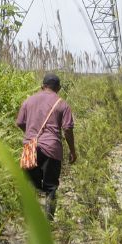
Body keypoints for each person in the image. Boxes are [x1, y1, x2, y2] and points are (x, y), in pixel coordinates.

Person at [16, 72, 76, 219]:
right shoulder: (62, 104)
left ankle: (29, 220)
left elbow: (19, 122)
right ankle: (48, 222)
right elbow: (67, 129)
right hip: (52, 149)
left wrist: (30, 134)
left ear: (42, 86)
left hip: (30, 148)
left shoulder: (28, 101)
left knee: (29, 185)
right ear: (59, 88)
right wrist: (72, 151)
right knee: (51, 187)